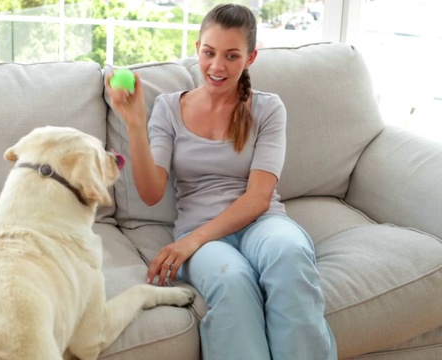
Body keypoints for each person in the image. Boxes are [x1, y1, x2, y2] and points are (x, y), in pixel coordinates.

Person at [106, 3, 337, 360]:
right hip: (199, 231)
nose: (217, 66)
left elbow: (259, 198)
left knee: (289, 254)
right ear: (197, 48)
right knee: (232, 281)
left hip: (262, 222)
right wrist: (135, 123)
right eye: (209, 52)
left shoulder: (268, 108)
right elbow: (151, 193)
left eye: (231, 55)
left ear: (250, 58)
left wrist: (189, 244)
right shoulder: (168, 108)